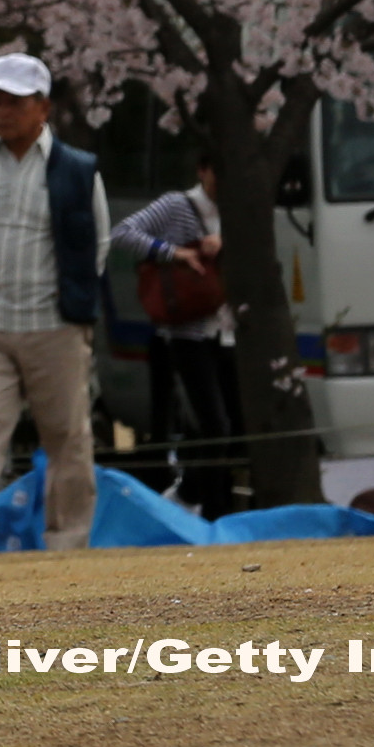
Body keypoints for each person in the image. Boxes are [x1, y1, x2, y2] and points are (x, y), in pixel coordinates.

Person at [0, 54, 109, 558]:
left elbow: (97, 245)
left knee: (66, 436)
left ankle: (67, 540)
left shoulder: (77, 170)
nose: (2, 111)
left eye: (15, 102)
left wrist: (72, 300)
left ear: (43, 108)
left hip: (54, 326)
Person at [108, 156, 243, 518]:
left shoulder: (238, 208)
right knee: (216, 424)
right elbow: (122, 233)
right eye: (217, 171)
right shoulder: (177, 205)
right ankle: (200, 504)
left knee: (229, 426)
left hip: (228, 331)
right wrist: (175, 252)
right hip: (188, 331)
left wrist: (224, 241)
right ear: (202, 170)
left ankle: (198, 498)